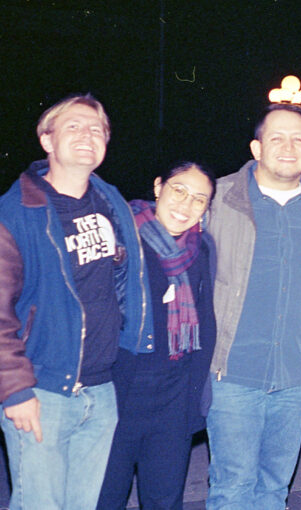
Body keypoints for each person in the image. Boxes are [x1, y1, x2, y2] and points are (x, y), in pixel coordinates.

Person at [0, 93, 148, 510]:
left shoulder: (111, 203)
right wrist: (14, 390)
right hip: (43, 391)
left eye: (97, 129)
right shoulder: (16, 212)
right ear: (47, 140)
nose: (88, 135)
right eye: (74, 127)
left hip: (101, 391)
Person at [205, 103, 301, 508]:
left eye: (298, 138)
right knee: (232, 487)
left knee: (274, 489)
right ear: (256, 147)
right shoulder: (220, 198)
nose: (288, 146)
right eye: (276, 137)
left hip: (296, 377)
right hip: (233, 374)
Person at [96, 162, 218, 509]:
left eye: (199, 199)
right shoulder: (121, 240)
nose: (185, 205)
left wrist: (194, 402)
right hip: (119, 395)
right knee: (105, 498)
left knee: (164, 500)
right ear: (158, 186)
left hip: (173, 399)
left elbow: (205, 323)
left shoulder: (202, 248)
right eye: (178, 190)